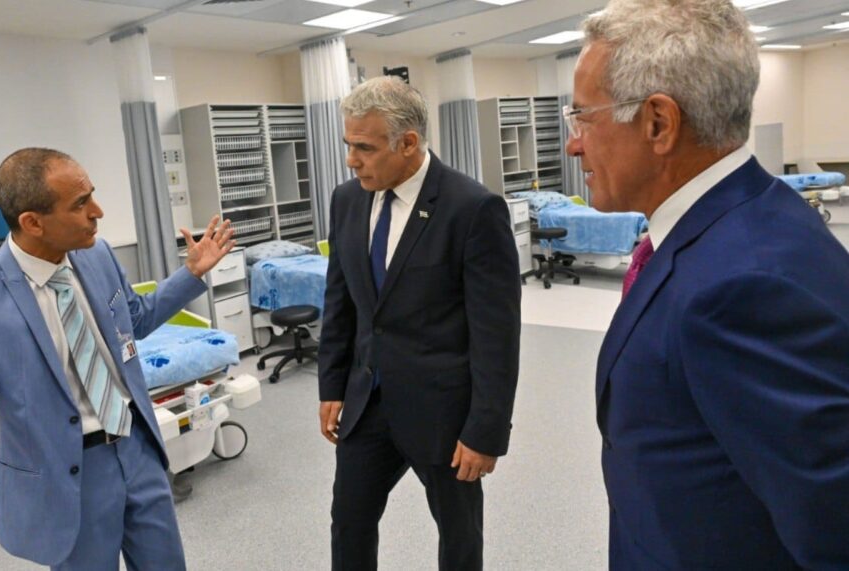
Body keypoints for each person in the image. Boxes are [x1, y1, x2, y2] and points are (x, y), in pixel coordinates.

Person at [568, 1, 849, 568]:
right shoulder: (747, 221)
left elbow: (833, 526)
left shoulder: (741, 286)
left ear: (658, 123)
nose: (574, 145)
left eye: (583, 119)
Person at [0, 148, 235, 570]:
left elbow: (133, 320)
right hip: (69, 477)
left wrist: (191, 274)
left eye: (91, 195)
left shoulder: (97, 255)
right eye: (80, 204)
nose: (97, 212)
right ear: (32, 222)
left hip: (137, 449)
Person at [318, 76, 521, 571]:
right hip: (367, 403)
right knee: (349, 522)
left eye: (364, 148)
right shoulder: (347, 200)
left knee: (458, 536)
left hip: (443, 413)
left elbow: (496, 334)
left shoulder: (472, 208)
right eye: (348, 145)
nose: (351, 160)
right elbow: (341, 301)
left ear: (408, 143)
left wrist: (486, 430)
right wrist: (332, 385)